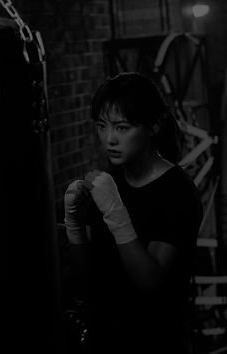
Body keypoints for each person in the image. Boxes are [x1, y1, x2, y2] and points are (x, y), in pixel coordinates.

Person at [64, 72, 203, 354]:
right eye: (102, 126)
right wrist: (75, 225)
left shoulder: (176, 190)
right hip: (105, 342)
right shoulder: (110, 183)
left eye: (122, 127)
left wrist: (117, 215)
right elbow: (85, 280)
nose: (109, 139)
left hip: (156, 344)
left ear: (152, 126)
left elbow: (150, 284)